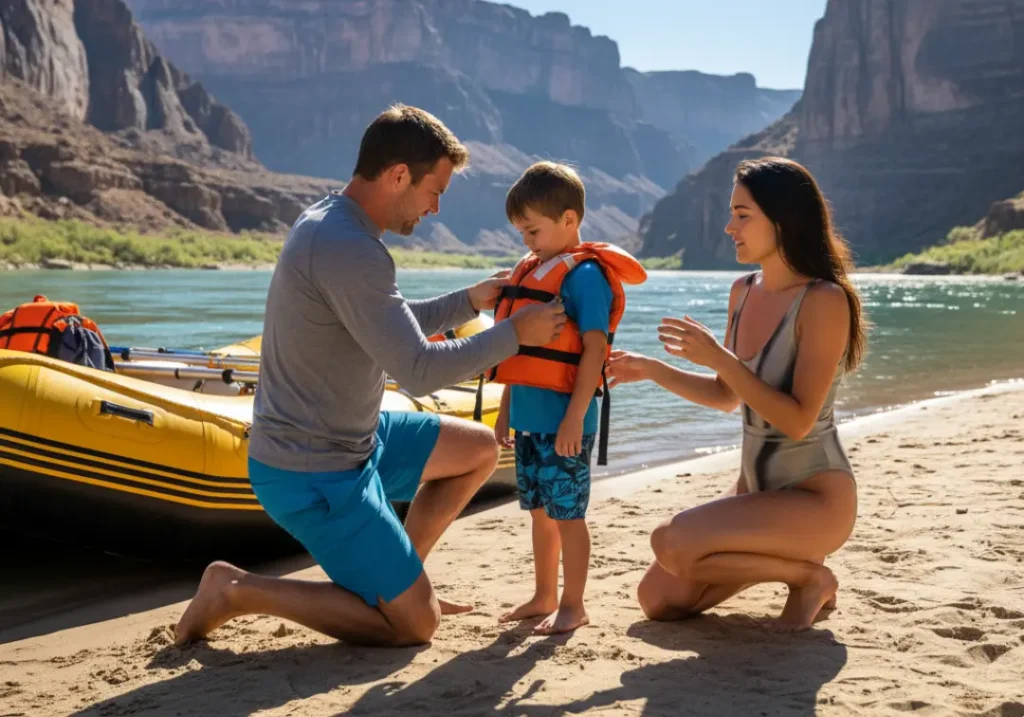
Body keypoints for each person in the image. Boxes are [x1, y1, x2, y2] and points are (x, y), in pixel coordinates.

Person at [173, 105, 567, 648]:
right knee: (414, 626)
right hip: (314, 471)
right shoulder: (350, 248)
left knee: (476, 450)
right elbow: (417, 369)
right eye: (435, 192)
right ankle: (236, 590)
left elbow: (384, 321)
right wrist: (516, 334)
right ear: (399, 175)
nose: (434, 208)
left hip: (355, 438)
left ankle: (403, 577)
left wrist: (467, 301)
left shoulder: (334, 220)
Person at [607, 156, 867, 631]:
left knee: (671, 541)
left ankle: (806, 574)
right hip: (756, 492)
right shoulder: (742, 292)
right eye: (731, 213)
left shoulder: (824, 301)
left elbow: (797, 421)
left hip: (815, 500)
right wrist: (654, 370)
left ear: (783, 219)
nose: (729, 226)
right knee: (657, 600)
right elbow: (728, 396)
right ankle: (801, 572)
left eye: (742, 214)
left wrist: (720, 357)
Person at [492, 162, 646, 634]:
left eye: (533, 230)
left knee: (568, 516)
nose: (527, 242)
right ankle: (543, 595)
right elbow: (517, 351)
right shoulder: (531, 271)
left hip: (566, 421)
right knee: (539, 513)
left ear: (569, 220)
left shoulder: (583, 278)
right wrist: (505, 413)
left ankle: (574, 604)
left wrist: (575, 418)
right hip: (529, 419)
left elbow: (595, 349)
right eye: (520, 232)